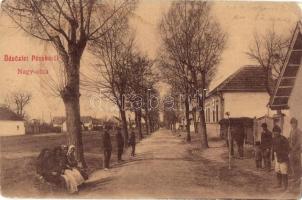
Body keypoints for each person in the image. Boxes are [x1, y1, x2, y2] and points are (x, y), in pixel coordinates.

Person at [272, 125, 290, 190]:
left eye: (276, 132)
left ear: (279, 132)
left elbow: (287, 149)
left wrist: (282, 155)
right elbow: (273, 148)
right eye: (274, 132)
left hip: (283, 158)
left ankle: (285, 187)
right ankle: (279, 184)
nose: (275, 133)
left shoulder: (283, 139)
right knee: (277, 171)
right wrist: (273, 157)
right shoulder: (274, 139)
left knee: (284, 172)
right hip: (277, 157)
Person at [288, 117, 302, 182]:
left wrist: (294, 148)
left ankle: (298, 177)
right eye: (292, 123)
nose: (293, 125)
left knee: (297, 163)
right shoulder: (291, 131)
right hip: (291, 150)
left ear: (296, 124)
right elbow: (290, 139)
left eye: (294, 123)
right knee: (292, 163)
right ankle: (294, 176)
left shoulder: (298, 131)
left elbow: (299, 141)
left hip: (296, 150)